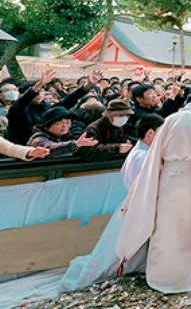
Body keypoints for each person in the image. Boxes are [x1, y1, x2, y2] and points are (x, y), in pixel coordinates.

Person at [115, 79, 191, 294]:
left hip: (168, 177)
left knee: (166, 228)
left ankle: (159, 275)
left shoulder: (170, 119)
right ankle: (184, 277)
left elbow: (157, 153)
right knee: (190, 225)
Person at [59, 113, 165, 293]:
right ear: (150, 133)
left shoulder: (142, 152)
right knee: (117, 254)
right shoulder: (142, 157)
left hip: (137, 205)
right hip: (138, 206)